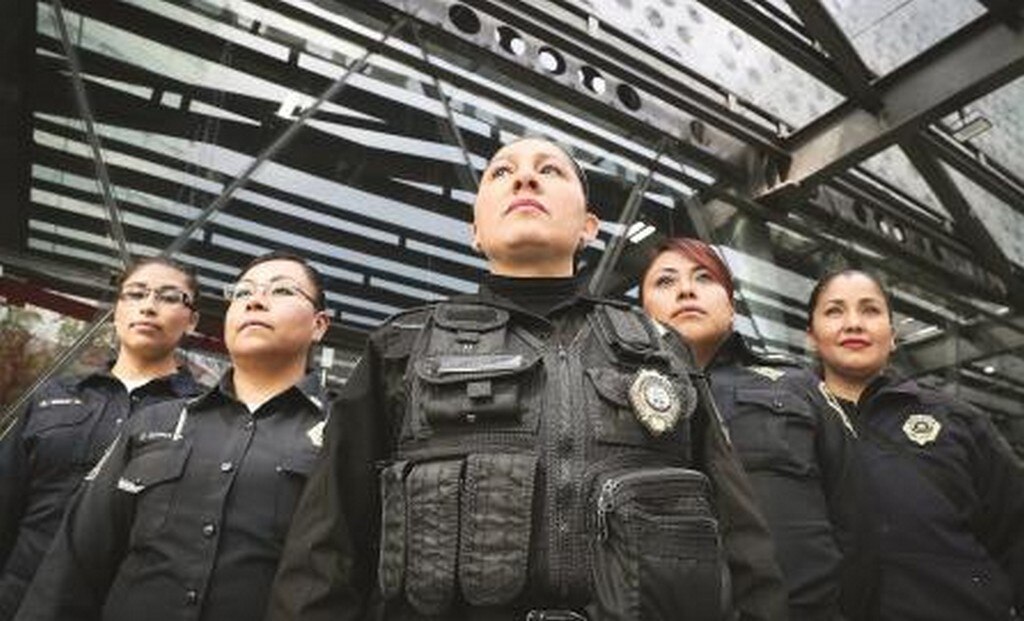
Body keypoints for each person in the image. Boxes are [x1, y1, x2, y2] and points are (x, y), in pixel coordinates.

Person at [267, 138, 787, 621]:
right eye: (502, 173)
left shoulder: (661, 350)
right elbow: (325, 548)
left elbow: (741, 538)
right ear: (475, 230)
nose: (525, 180)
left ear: (589, 226)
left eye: (550, 171)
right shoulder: (401, 345)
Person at [15, 251, 331, 621]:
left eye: (282, 291)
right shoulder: (156, 421)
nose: (256, 300)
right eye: (243, 293)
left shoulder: (344, 436)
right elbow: (76, 560)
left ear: (319, 325)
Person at [641, 239, 858, 621]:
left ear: (731, 308)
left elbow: (857, 516)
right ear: (643, 313)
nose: (686, 290)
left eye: (705, 278)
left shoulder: (797, 385)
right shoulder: (619, 395)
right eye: (665, 282)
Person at [806, 268, 1024, 621]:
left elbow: (1016, 530)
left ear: (892, 336)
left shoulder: (957, 420)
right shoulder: (791, 427)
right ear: (811, 336)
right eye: (834, 311)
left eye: (870, 310)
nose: (854, 323)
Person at [0, 257, 204, 620]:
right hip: (18, 599)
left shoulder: (206, 414)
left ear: (191, 320)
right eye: (136, 294)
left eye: (170, 297)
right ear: (117, 310)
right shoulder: (52, 396)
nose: (148, 305)